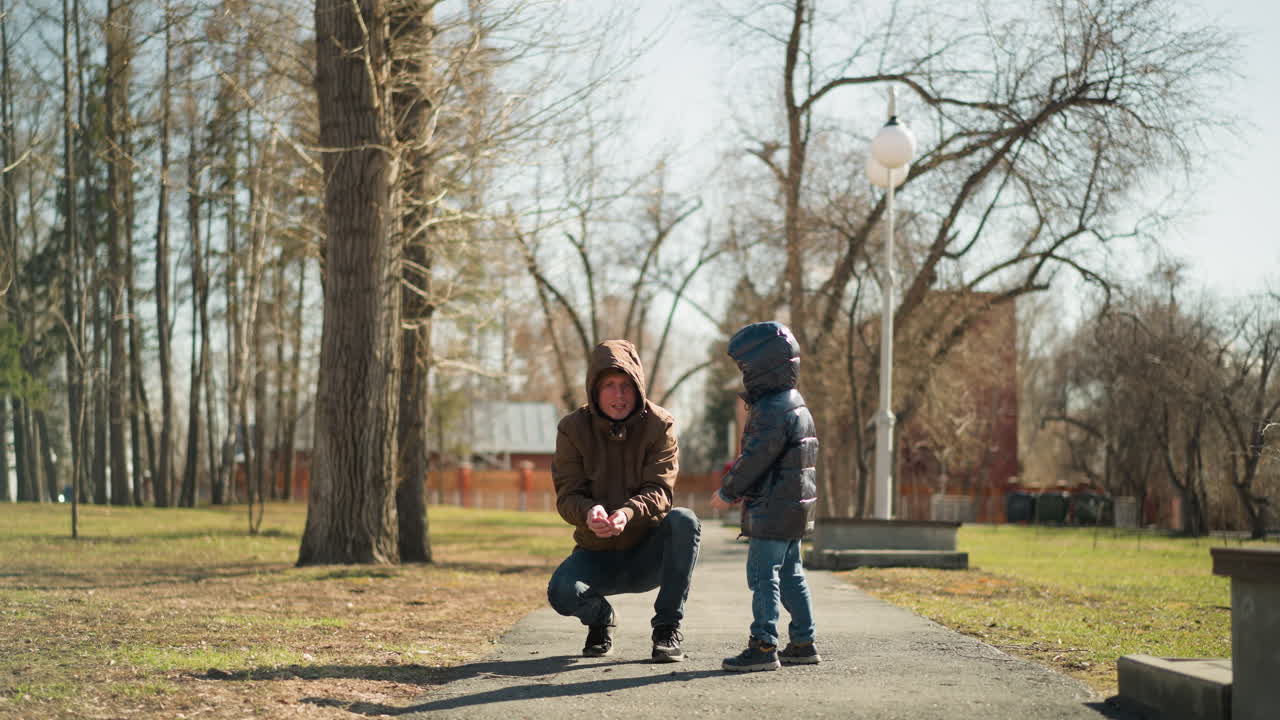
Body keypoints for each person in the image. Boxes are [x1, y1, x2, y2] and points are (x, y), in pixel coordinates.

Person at [547, 339, 701, 663]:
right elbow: (567, 495)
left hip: (648, 554)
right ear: (594, 389)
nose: (619, 395)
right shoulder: (572, 429)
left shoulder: (660, 424)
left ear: (638, 386)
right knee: (561, 592)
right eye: (609, 386)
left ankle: (667, 629)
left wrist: (628, 512)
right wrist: (589, 512)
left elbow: (661, 491)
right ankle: (601, 619)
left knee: (684, 520)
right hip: (596, 553)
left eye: (626, 385)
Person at [710, 321, 820, 672]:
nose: (744, 375)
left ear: (762, 367)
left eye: (745, 367)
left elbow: (755, 458)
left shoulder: (772, 409)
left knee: (763, 576)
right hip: (794, 510)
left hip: (772, 510)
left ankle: (763, 644)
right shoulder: (797, 404)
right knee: (792, 575)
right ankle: (803, 641)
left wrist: (728, 491)